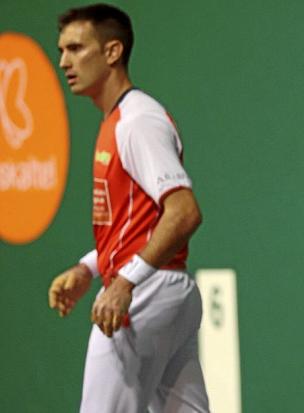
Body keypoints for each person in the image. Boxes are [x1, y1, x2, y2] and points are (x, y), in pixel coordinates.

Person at [47, 4, 209, 412]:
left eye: (76, 48)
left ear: (113, 51)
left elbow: (184, 212)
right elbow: (137, 224)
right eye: (62, 50)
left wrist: (124, 283)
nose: (64, 61)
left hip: (143, 297)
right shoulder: (118, 120)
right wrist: (90, 268)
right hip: (162, 291)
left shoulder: (137, 121)